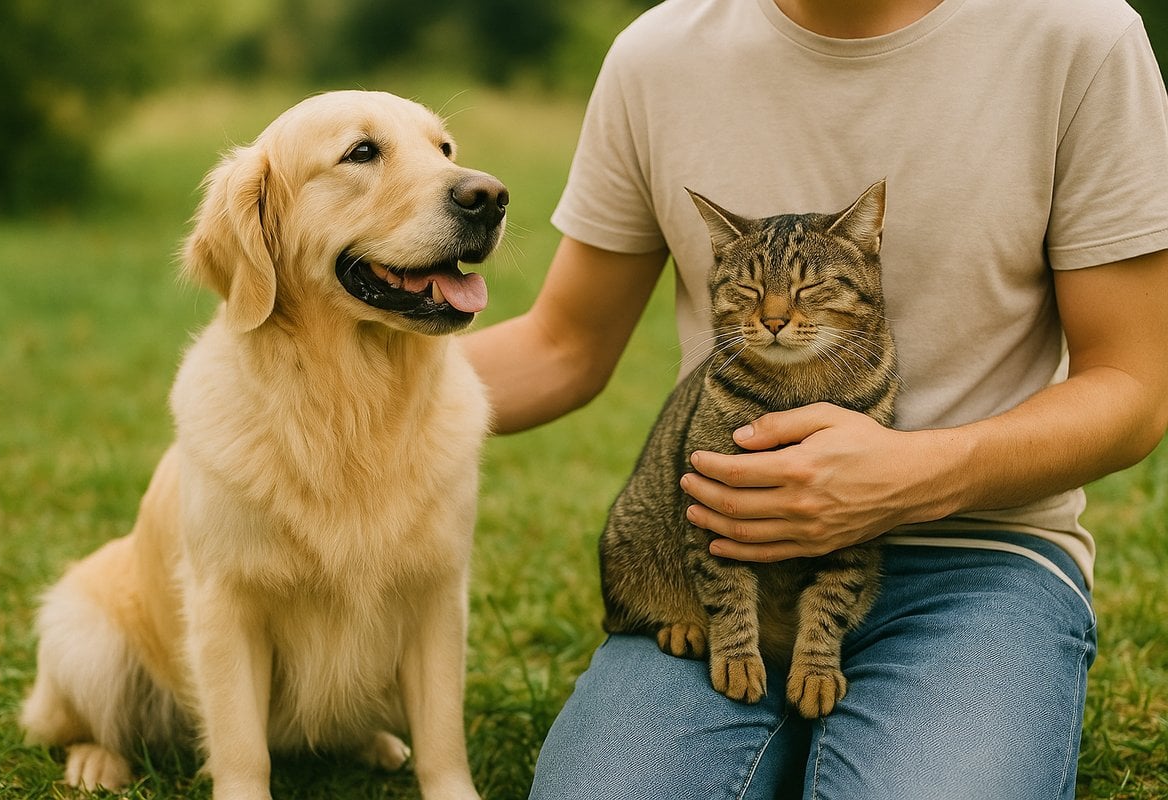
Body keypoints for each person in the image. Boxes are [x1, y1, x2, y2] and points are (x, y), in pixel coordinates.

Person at [463, 0, 1168, 797]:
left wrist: (910, 475)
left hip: (977, 555)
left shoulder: (1080, 37)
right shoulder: (656, 54)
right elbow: (565, 344)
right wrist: (325, 398)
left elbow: (1134, 388)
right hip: (726, 556)